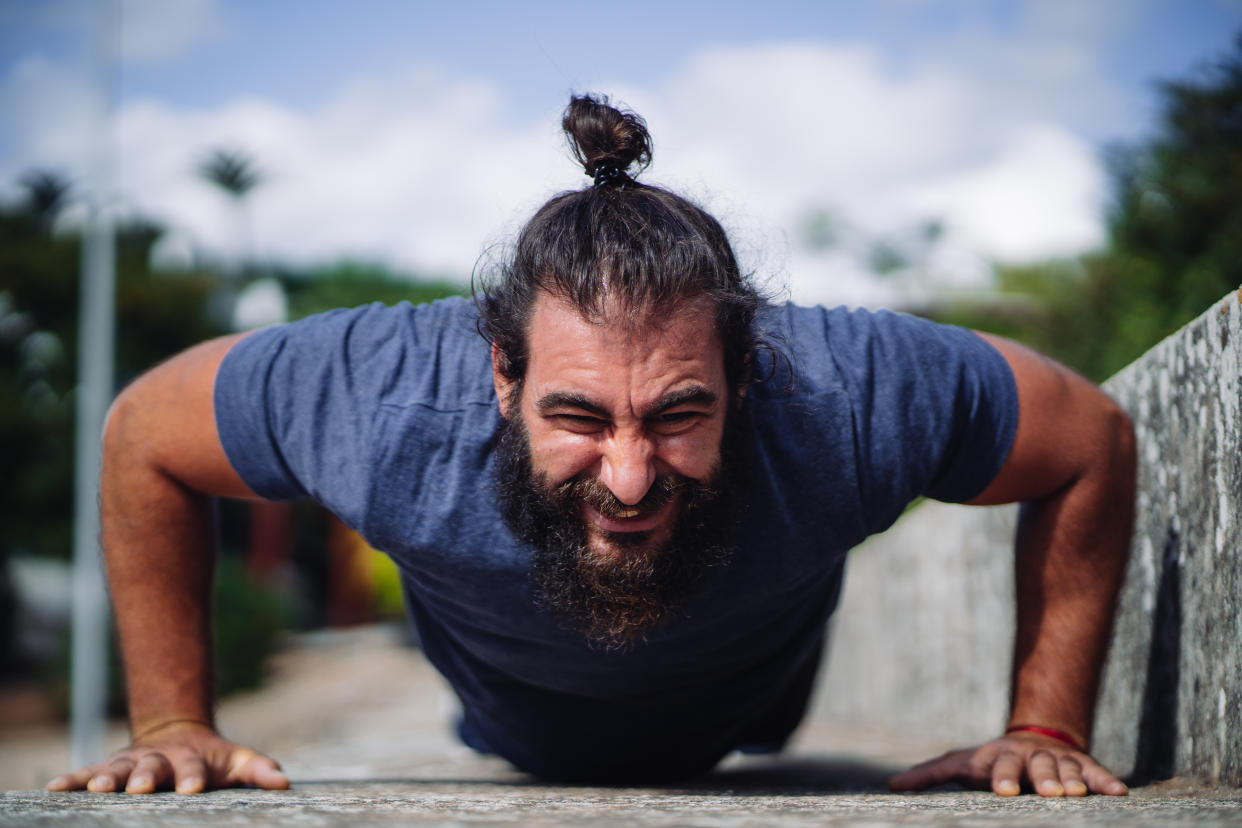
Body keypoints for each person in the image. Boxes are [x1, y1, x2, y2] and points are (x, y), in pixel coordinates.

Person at [48, 95, 1135, 798]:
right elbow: (145, 430)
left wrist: (1043, 724)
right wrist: (177, 720)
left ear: (748, 376)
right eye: (577, 417)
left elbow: (1089, 437)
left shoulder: (848, 393)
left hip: (754, 702)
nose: (628, 475)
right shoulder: (381, 400)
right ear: (501, 375)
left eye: (677, 415)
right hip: (510, 718)